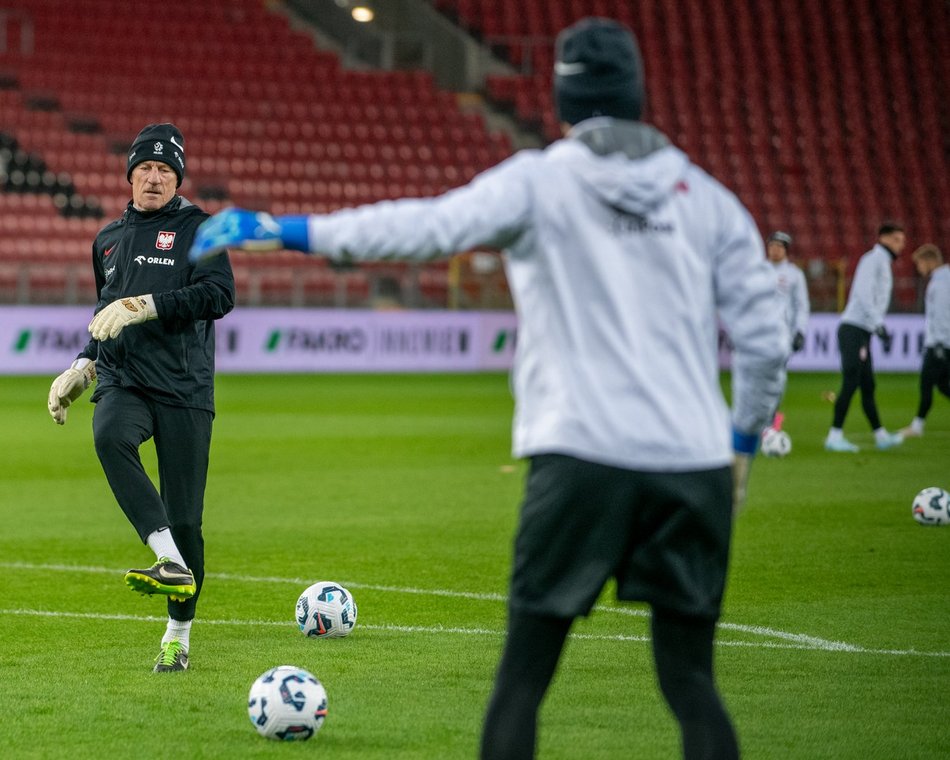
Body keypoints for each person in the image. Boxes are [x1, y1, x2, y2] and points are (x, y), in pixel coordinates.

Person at [189, 18, 787, 759]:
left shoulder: (540, 181)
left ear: (565, 100)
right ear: (636, 96)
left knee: (525, 679)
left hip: (582, 453)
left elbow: (429, 227)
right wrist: (738, 444)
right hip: (692, 464)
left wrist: (289, 229)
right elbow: (765, 337)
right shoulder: (708, 199)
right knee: (692, 684)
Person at [47, 123, 235, 672]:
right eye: (145, 169)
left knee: (188, 520)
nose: (154, 178)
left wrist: (147, 304)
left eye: (165, 170)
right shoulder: (106, 238)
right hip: (125, 380)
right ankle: (167, 561)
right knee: (107, 434)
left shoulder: (202, 228)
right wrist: (83, 364)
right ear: (129, 174)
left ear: (178, 178)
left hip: (184, 387)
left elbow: (220, 295)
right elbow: (107, 310)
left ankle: (178, 635)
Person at [824, 222, 906, 452]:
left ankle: (880, 436)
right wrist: (878, 324)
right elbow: (862, 293)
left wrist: (875, 326)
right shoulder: (873, 260)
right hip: (854, 329)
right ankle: (834, 436)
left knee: (867, 384)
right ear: (884, 238)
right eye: (898, 239)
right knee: (852, 381)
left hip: (862, 330)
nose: (902, 245)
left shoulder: (882, 262)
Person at [901, 243, 950, 437]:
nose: (919, 268)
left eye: (920, 263)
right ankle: (917, 426)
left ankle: (917, 426)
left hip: (940, 343)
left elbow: (941, 315)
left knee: (926, 383)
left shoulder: (940, 283)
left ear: (930, 261)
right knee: (942, 385)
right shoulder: (944, 280)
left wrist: (938, 342)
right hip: (944, 342)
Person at [764, 230, 809, 431]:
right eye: (772, 245)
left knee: (776, 378)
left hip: (781, 336)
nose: (774, 249)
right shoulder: (757, 270)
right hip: (757, 334)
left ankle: (772, 417)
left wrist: (800, 330)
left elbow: (802, 305)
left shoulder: (794, 274)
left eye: (779, 246)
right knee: (755, 378)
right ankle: (757, 418)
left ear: (786, 250)